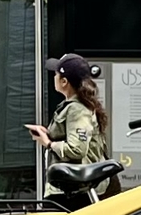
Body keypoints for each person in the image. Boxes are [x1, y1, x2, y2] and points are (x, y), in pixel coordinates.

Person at [27, 53, 117, 193]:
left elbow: (77, 149)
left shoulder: (77, 109)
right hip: (71, 188)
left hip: (74, 190)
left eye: (56, 74)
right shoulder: (73, 106)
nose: (53, 77)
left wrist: (49, 143)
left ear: (64, 82)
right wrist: (48, 134)